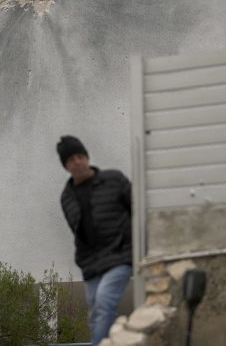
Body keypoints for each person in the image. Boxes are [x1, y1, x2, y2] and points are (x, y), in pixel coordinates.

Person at [57, 135, 132, 346]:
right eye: (71, 160)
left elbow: (136, 209)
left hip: (120, 256)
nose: (77, 162)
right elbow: (78, 231)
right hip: (91, 263)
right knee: (95, 312)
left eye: (80, 156)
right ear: (66, 166)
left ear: (87, 157)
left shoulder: (114, 180)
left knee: (105, 300)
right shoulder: (67, 197)